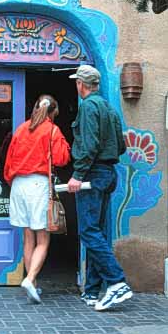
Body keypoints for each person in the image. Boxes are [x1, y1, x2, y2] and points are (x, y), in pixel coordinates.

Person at [67, 64, 133, 311]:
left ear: (80, 84)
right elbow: (122, 147)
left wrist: (77, 174)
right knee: (96, 232)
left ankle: (117, 282)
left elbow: (90, 144)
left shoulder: (88, 107)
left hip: (92, 175)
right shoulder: (109, 107)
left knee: (88, 232)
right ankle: (92, 291)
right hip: (107, 174)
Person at [4, 95, 70, 303]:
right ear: (53, 112)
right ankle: (30, 278)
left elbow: (8, 160)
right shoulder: (52, 130)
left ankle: (33, 284)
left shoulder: (22, 128)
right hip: (37, 184)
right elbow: (61, 158)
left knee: (28, 237)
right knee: (43, 238)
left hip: (18, 185)